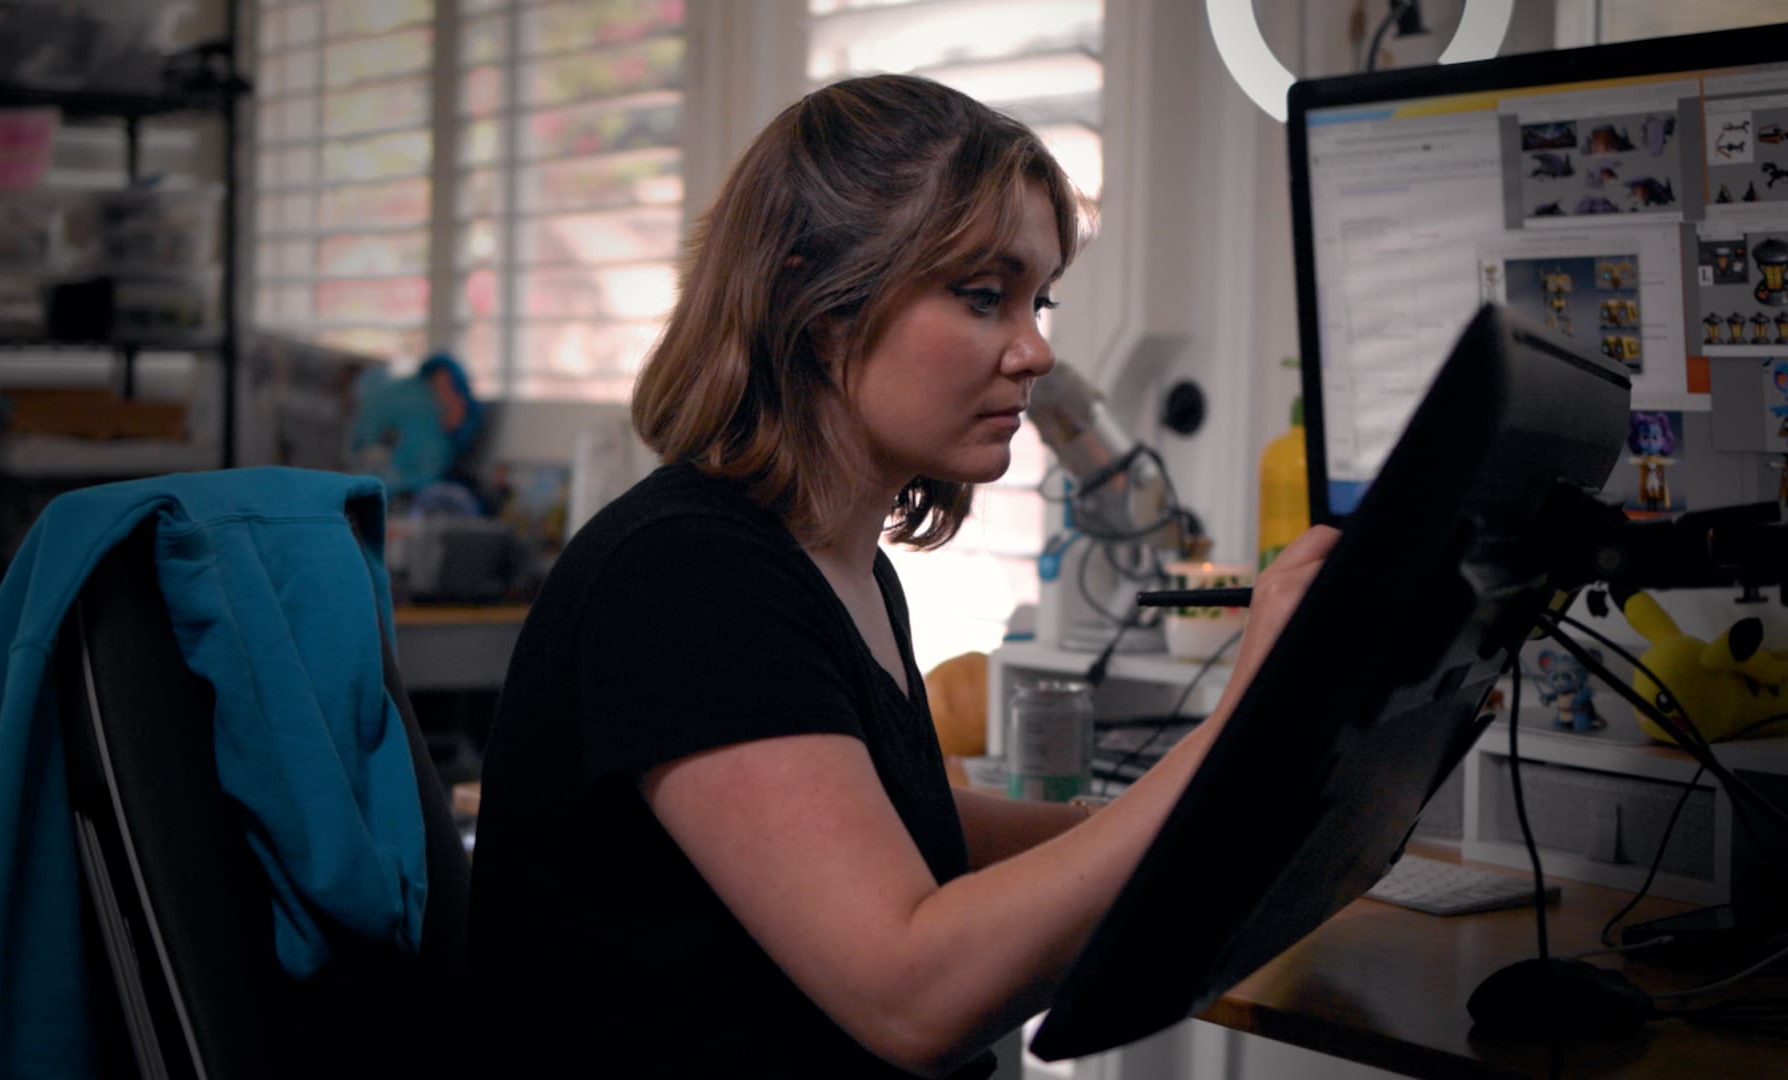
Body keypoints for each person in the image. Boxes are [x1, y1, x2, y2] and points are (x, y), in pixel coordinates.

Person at [467, 73, 1337, 1078]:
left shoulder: (838, 568)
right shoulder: (684, 577)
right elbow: (912, 996)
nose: (1035, 349)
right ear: (818, 306)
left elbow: (883, 813)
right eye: (982, 296)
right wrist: (1243, 738)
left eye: (1038, 299)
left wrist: (1119, 832)